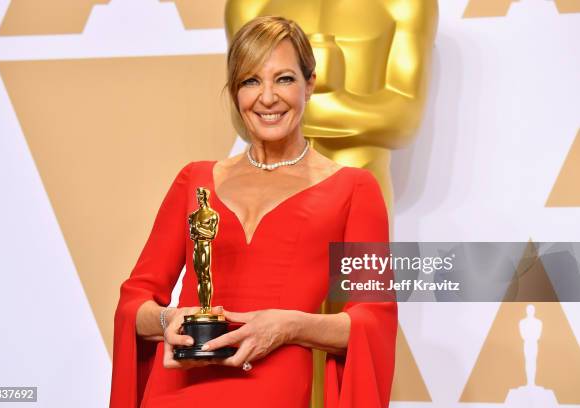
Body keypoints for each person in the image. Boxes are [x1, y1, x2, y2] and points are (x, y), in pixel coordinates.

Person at [109, 15, 397, 408]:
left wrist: (289, 326)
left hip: (272, 392)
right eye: (250, 81)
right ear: (234, 92)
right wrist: (167, 320)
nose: (267, 97)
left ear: (310, 84)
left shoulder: (354, 189)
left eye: (284, 79)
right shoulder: (194, 181)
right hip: (176, 392)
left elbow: (372, 320)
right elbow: (134, 303)